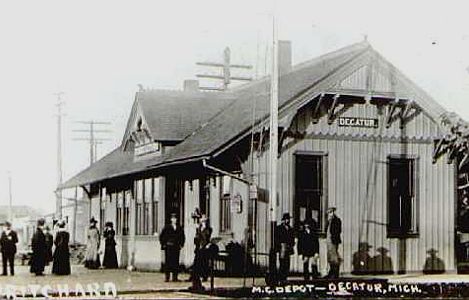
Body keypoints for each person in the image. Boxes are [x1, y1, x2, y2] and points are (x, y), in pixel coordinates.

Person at [159, 214, 185, 282]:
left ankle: (175, 277)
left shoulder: (179, 228)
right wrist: (164, 244)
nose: (174, 220)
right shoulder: (167, 227)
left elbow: (182, 237)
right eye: (173, 218)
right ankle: (167, 277)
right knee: (168, 262)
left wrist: (181, 244)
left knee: (175, 262)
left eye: (175, 219)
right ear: (171, 219)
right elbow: (162, 236)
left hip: (176, 247)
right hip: (169, 247)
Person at [190, 215, 212, 291]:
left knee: (201, 266)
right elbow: (196, 239)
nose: (202, 221)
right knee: (195, 267)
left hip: (204, 250)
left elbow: (207, 237)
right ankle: (195, 284)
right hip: (198, 249)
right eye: (201, 220)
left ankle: (200, 281)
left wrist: (202, 230)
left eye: (204, 220)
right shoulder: (198, 229)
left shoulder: (208, 229)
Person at [275, 212, 295, 283]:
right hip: (282, 248)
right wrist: (280, 245)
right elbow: (277, 238)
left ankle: (285, 277)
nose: (288, 221)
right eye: (286, 219)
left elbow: (292, 239)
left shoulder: (291, 229)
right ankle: (281, 278)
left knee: (287, 263)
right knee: (282, 263)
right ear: (283, 220)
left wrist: (291, 244)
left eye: (288, 219)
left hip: (288, 248)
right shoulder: (279, 228)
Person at [325, 207, 342, 278]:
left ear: (333, 212)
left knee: (334, 257)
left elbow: (338, 231)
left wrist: (333, 238)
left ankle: (335, 273)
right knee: (330, 256)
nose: (330, 214)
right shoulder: (329, 221)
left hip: (333, 241)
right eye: (329, 213)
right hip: (329, 240)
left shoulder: (337, 220)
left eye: (331, 212)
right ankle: (331, 272)